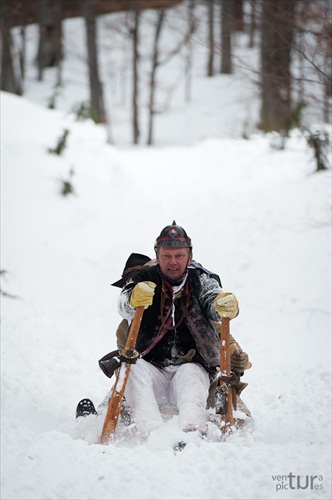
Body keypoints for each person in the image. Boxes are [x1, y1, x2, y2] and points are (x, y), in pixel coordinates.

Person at [113, 221, 250, 437]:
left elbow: (211, 297)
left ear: (189, 256)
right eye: (167, 256)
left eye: (179, 255)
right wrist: (132, 300)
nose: (173, 262)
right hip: (152, 369)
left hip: (190, 369)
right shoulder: (143, 279)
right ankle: (149, 433)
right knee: (131, 368)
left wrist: (220, 304)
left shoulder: (201, 279)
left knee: (192, 374)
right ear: (157, 256)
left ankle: (192, 432)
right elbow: (123, 304)